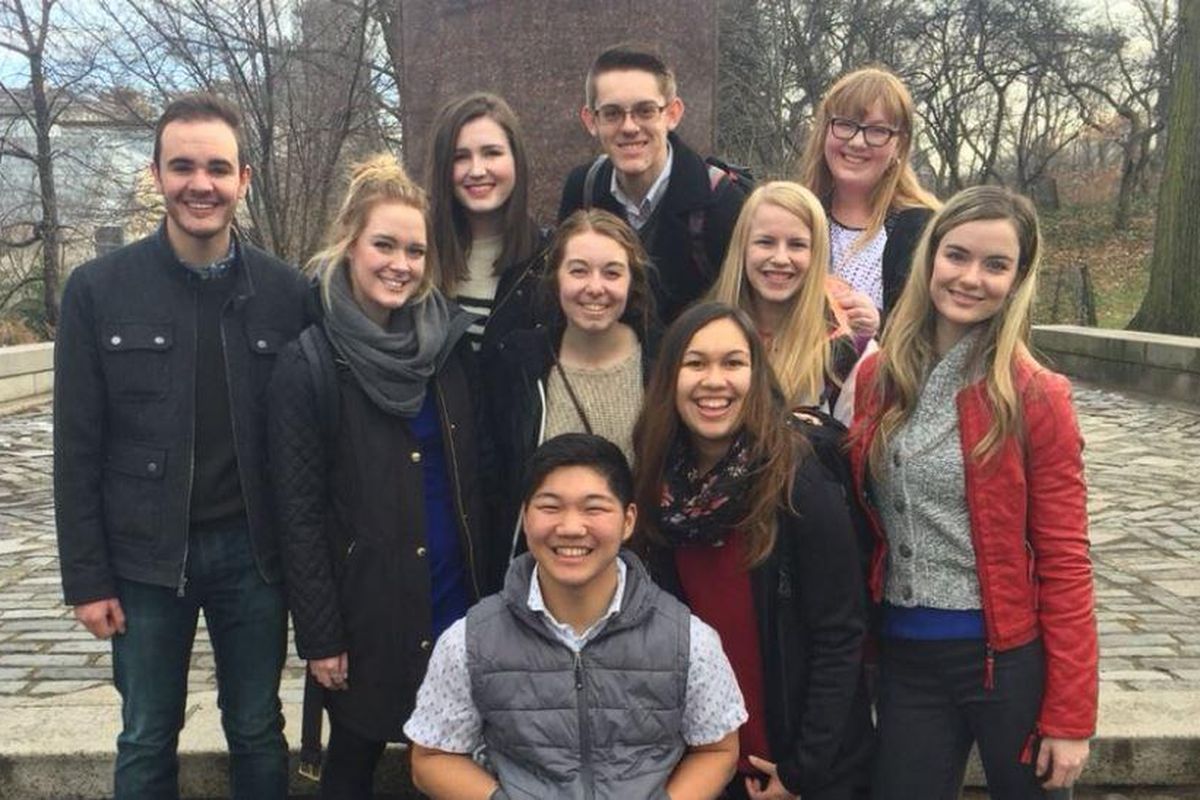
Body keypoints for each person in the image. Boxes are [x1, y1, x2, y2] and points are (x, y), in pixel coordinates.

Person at [53, 93, 310, 799]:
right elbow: (75, 448)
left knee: (258, 727)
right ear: (157, 174)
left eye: (219, 168)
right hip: (142, 558)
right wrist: (87, 576)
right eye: (184, 166)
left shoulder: (288, 295)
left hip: (254, 557)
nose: (202, 183)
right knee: (145, 732)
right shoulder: (97, 289)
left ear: (244, 179)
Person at [847, 186, 1097, 798]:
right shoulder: (881, 378)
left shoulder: (1035, 395)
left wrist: (1070, 717)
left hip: (1005, 662)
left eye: (995, 264)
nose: (971, 278)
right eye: (956, 255)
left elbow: (1066, 561)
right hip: (906, 659)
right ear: (931, 257)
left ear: (1016, 280)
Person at [268, 155, 493, 798]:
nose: (401, 264)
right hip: (364, 603)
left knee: (453, 756)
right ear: (350, 243)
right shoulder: (309, 364)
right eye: (385, 245)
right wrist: (319, 634)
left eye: (415, 250)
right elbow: (299, 513)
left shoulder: (446, 348)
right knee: (354, 755)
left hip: (452, 590)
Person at [405, 432, 747, 800]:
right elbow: (432, 756)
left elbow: (717, 749)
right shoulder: (469, 641)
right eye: (550, 507)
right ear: (526, 515)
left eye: (593, 508)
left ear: (628, 520)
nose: (570, 527)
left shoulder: (688, 640)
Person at [634, 302, 873, 800]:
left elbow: (841, 634)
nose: (714, 380)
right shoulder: (659, 484)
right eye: (695, 363)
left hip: (790, 766)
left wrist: (802, 769)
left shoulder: (796, 480)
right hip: (704, 763)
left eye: (733, 363)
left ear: (756, 375)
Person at [486, 208, 658, 562]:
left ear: (632, 281)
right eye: (579, 270)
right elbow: (496, 481)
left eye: (612, 273)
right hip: (544, 570)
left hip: (645, 571)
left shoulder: (663, 363)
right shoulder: (519, 364)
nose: (595, 287)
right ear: (556, 279)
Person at [558, 43, 750, 323]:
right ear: (591, 120)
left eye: (645, 111)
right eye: (612, 113)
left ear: (672, 113)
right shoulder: (582, 189)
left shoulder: (721, 202)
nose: (629, 127)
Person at [709, 181, 876, 425]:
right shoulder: (701, 335)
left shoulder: (851, 357)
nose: (780, 258)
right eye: (765, 242)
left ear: (816, 253)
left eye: (797, 245)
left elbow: (856, 458)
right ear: (742, 248)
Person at [798, 66, 939, 325]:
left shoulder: (924, 230)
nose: (857, 142)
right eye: (845, 124)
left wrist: (880, 325)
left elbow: (936, 333)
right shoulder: (795, 217)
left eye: (877, 130)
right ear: (824, 131)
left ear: (900, 144)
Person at [425, 92, 550, 352]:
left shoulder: (550, 261)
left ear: (516, 160)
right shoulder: (418, 257)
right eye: (460, 157)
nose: (477, 170)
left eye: (491, 153)